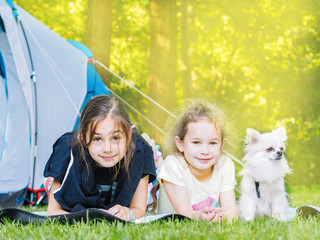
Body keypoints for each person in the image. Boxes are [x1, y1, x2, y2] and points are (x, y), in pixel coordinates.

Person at [44, 95, 156, 221]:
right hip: (74, 189)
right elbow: (53, 212)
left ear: (129, 135)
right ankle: (50, 183)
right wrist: (89, 216)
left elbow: (139, 210)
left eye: (115, 138)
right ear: (83, 137)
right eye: (97, 139)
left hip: (111, 196)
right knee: (60, 191)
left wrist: (128, 213)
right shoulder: (67, 149)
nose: (107, 149)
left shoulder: (140, 151)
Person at [156, 99, 238, 222]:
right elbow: (185, 212)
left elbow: (232, 212)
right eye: (196, 142)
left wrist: (220, 217)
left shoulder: (224, 164)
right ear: (180, 143)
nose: (205, 151)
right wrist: (202, 217)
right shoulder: (174, 164)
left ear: (221, 145)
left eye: (213, 143)